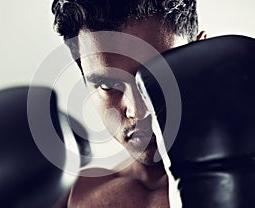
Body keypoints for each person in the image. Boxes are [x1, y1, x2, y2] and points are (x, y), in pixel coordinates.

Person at [51, 0, 206, 207]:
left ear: (204, 53)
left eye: (160, 76)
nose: (138, 111)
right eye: (107, 85)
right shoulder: (73, 198)